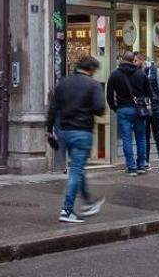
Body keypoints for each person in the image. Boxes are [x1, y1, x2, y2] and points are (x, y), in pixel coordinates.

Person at [46, 55, 106, 224]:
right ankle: (67, 210)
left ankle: (88, 202)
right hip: (81, 132)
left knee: (78, 168)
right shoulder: (93, 85)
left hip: (64, 131)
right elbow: (100, 109)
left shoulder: (63, 83)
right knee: (75, 171)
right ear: (91, 70)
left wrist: (49, 129)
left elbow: (53, 108)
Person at [106, 51, 151, 175]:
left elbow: (109, 95)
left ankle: (131, 167)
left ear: (121, 59)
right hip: (139, 110)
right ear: (133, 60)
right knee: (141, 138)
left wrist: (114, 107)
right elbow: (149, 93)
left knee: (127, 139)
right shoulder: (141, 74)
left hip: (123, 109)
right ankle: (141, 165)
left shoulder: (115, 74)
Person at [139, 51, 159, 174]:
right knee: (144, 136)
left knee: (158, 136)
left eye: (136, 61)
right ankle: (146, 162)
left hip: (156, 109)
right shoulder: (139, 73)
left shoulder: (156, 71)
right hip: (144, 109)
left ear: (141, 61)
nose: (135, 63)